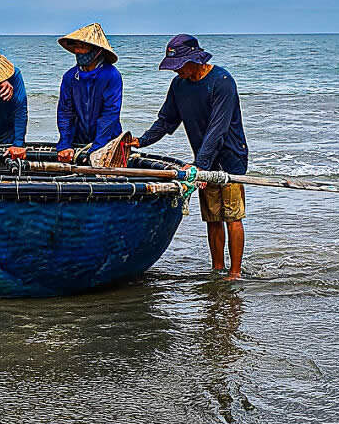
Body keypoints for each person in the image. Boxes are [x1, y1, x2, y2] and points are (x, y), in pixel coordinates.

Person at [131, 34, 248, 279]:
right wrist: (140, 142)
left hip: (230, 158)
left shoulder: (222, 82)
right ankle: (217, 269)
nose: (178, 72)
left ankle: (235, 273)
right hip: (202, 159)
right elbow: (166, 121)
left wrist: (198, 167)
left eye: (181, 66)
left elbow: (218, 129)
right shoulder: (179, 86)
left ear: (195, 60)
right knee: (212, 217)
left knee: (232, 215)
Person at [56, 22, 123, 162]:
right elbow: (65, 112)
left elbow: (110, 114)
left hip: (108, 141)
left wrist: (96, 148)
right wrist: (64, 144)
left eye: (83, 47)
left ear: (97, 50)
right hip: (78, 140)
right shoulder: (70, 77)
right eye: (77, 47)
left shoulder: (111, 75)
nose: (79, 51)